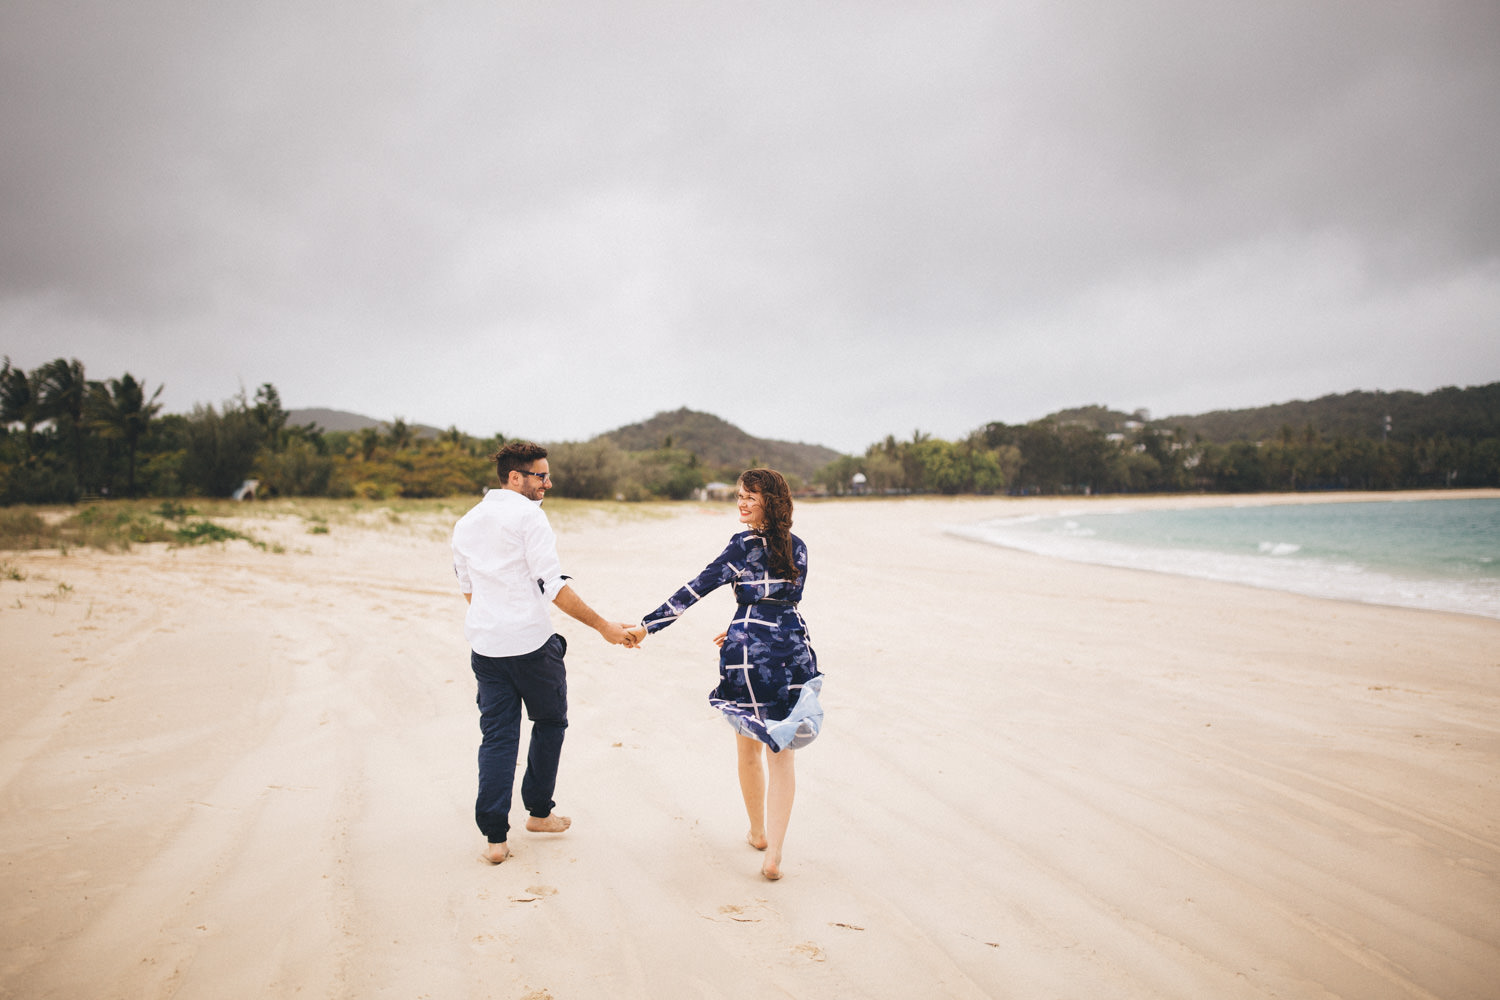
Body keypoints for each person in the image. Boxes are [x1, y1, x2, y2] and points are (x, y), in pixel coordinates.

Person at [624, 468, 823, 880]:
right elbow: (782, 601)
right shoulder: (799, 547)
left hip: (749, 652)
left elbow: (696, 588)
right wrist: (746, 623)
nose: (742, 502)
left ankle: (757, 832)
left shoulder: (742, 545)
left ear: (771, 500)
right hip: (792, 648)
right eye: (739, 495)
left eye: (750, 496)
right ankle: (774, 855)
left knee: (749, 746)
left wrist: (647, 625)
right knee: (781, 752)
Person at [452, 441, 634, 865]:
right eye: (541, 475)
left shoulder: (467, 522)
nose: (548, 483)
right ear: (515, 477)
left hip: (486, 646)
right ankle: (538, 812)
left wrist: (495, 621)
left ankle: (495, 839)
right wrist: (604, 626)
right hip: (532, 646)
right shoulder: (529, 517)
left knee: (498, 738)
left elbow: (467, 586)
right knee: (550, 721)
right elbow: (552, 586)